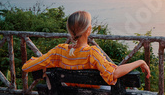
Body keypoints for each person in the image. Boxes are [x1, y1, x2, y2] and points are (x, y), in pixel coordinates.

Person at [22, 10, 150, 85]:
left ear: (70, 31)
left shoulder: (59, 51)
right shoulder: (92, 53)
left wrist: (44, 64)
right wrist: (140, 61)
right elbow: (114, 73)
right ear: (88, 30)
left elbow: (26, 67)